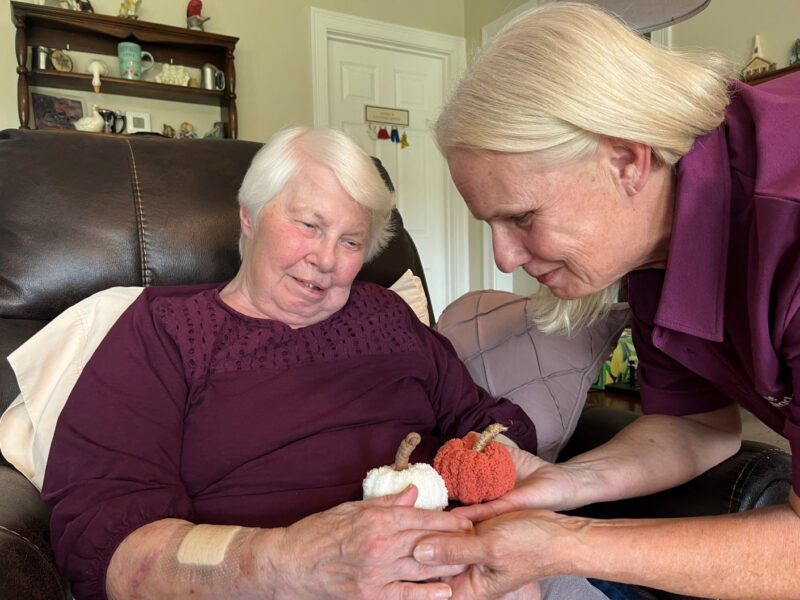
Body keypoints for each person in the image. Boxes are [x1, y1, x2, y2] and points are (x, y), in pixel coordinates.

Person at [37, 126, 551, 599]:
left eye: (350, 241)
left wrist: (494, 482)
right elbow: (107, 542)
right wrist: (287, 563)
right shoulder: (164, 332)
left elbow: (478, 422)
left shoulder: (387, 316)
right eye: (309, 225)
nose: (326, 259)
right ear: (250, 214)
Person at [411, 2, 800, 599]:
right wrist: (564, 485)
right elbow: (698, 424)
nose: (504, 259)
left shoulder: (787, 221)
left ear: (625, 161)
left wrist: (565, 544)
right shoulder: (651, 247)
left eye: (521, 217)